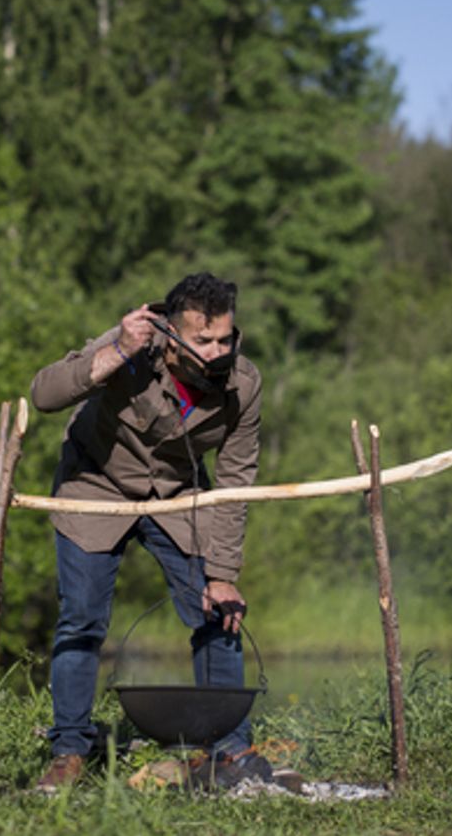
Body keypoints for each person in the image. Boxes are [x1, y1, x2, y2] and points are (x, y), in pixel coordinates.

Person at [28, 272, 272, 793]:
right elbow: (43, 394)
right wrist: (115, 350)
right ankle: (69, 748)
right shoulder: (134, 340)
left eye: (225, 339)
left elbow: (235, 482)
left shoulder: (243, 385)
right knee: (82, 620)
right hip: (95, 483)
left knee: (218, 613)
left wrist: (224, 574)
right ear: (173, 330)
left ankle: (229, 751)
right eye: (202, 340)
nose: (215, 351)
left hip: (178, 493)